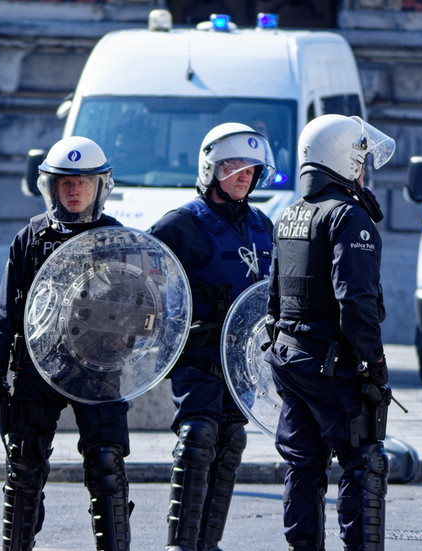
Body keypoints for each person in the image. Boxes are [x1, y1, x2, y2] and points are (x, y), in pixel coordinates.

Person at [0, 136, 133, 551]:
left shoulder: (119, 240)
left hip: (99, 370)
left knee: (107, 467)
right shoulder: (30, 237)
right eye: (66, 183)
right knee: (23, 468)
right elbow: (7, 309)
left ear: (99, 187)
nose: (75, 190)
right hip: (38, 368)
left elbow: (142, 310)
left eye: (83, 183)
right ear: (52, 188)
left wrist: (126, 345)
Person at [263, 114, 395, 551]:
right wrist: (375, 363)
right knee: (364, 465)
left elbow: (275, 297)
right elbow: (355, 302)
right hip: (329, 364)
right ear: (342, 159)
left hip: (291, 357)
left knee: (304, 465)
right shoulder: (347, 217)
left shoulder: (291, 214)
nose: (363, 170)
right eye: (359, 159)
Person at [148, 122, 276, 551]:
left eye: (252, 168)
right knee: (198, 435)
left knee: (231, 440)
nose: (245, 174)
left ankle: (208, 543)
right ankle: (181, 545)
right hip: (198, 355)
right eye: (235, 165)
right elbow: (142, 285)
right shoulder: (180, 225)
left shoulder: (262, 225)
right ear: (212, 168)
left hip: (243, 362)